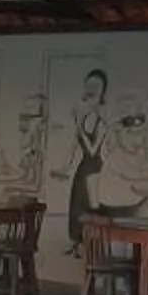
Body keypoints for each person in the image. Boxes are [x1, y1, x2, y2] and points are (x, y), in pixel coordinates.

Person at [63, 67, 108, 242]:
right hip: (83, 168)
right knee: (77, 204)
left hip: (95, 168)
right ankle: (75, 241)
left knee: (91, 205)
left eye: (96, 91)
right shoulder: (83, 118)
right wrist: (65, 167)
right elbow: (74, 146)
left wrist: (79, 126)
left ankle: (90, 242)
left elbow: (92, 150)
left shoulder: (102, 123)